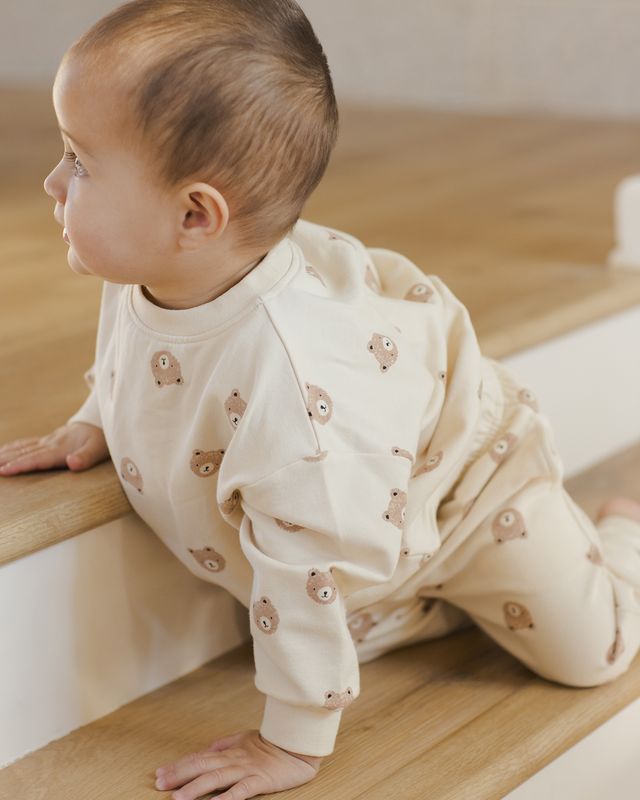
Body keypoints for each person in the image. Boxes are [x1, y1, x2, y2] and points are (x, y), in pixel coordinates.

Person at [2, 1, 640, 798]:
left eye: (80, 160)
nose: (53, 180)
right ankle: (414, 603)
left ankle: (619, 535)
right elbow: (138, 358)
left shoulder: (291, 390)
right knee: (355, 598)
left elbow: (304, 576)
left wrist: (292, 746)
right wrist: (94, 419)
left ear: (195, 213)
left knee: (595, 656)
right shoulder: (159, 266)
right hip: (364, 496)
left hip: (472, 496)